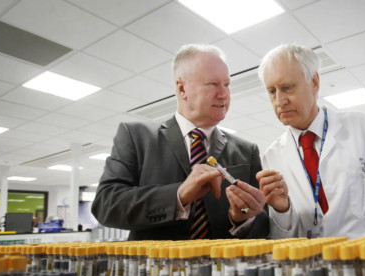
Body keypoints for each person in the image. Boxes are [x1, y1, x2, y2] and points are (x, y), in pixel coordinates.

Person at [92, 44, 269, 241]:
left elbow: (263, 223)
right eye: (212, 84)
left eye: (227, 84)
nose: (223, 94)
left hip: (224, 269)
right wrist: (179, 195)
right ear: (182, 88)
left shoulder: (246, 151)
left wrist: (241, 218)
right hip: (158, 269)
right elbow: (106, 205)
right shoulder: (136, 137)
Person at [256, 44, 365, 246]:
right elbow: (284, 237)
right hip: (316, 267)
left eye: (287, 88)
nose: (279, 100)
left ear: (314, 82)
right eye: (272, 91)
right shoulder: (272, 156)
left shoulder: (363, 127)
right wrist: (283, 210)